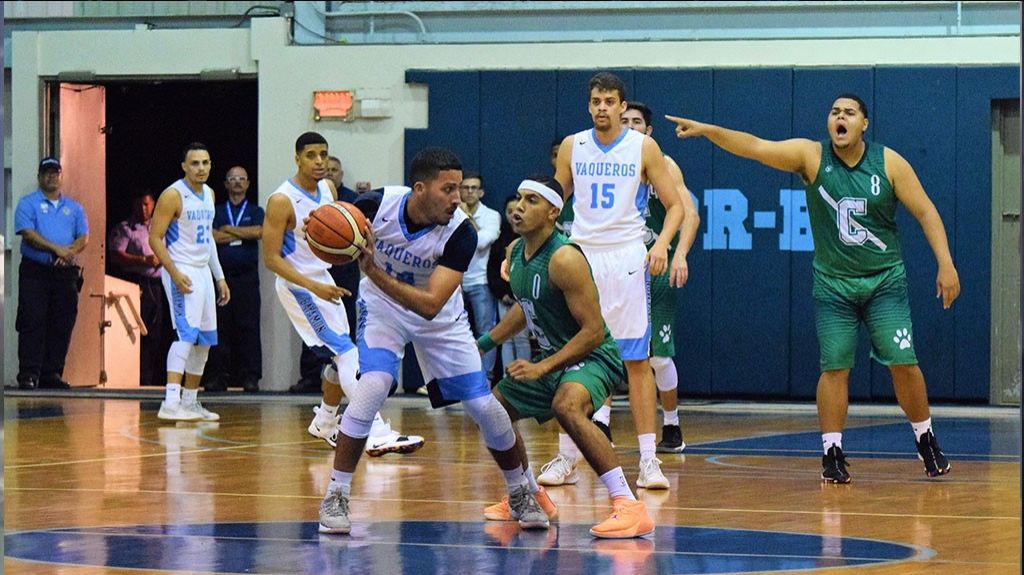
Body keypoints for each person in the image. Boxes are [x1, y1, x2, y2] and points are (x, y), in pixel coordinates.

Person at [666, 94, 959, 482]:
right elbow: (755, 147)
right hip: (833, 284)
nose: (840, 118)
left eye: (849, 113)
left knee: (903, 362)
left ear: (864, 124)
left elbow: (926, 211)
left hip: (884, 280)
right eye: (835, 112)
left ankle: (925, 438)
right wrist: (708, 131)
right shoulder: (811, 156)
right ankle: (832, 452)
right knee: (835, 366)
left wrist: (946, 263)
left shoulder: (888, 162)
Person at [317, 147, 549, 535]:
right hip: (383, 312)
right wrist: (318, 231)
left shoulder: (461, 233)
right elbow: (333, 227)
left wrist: (373, 270)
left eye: (459, 189)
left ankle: (520, 492)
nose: (457, 198)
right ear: (420, 188)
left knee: (485, 407)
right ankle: (336, 495)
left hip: (440, 319)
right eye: (449, 189)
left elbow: (430, 305)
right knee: (371, 386)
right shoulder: (374, 207)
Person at [480, 177, 655, 539]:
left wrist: (542, 366)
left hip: (593, 355)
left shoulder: (564, 258)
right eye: (518, 199)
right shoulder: (515, 253)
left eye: (531, 201)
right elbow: (525, 309)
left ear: (553, 212)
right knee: (492, 410)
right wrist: (481, 344)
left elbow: (592, 331)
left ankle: (628, 505)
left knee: (567, 405)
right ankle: (528, 494)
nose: (518, 207)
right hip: (553, 356)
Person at [544, 72, 686, 490]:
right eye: (596, 101)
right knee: (574, 356)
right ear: (588, 105)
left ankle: (647, 461)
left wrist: (660, 245)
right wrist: (529, 248)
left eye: (610, 101)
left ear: (622, 106)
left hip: (627, 256)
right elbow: (555, 201)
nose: (602, 107)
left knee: (636, 361)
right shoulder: (573, 145)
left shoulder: (644, 146)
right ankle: (566, 457)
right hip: (582, 255)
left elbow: (676, 206)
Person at [263, 132, 423, 456]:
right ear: (297, 158)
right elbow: (271, 259)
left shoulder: (328, 189)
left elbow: (337, 236)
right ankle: (375, 432)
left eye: (323, 154)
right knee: (349, 353)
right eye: (311, 155)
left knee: (340, 360)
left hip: (324, 280)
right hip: (299, 288)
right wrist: (312, 286)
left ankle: (324, 421)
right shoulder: (281, 200)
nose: (319, 161)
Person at [619, 101, 701, 453]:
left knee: (658, 357)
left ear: (648, 131)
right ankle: (600, 425)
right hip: (620, 264)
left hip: (656, 262)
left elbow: (690, 214)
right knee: (610, 348)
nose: (631, 127)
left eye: (637, 122)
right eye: (625, 122)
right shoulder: (607, 166)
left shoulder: (664, 164)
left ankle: (671, 425)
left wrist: (679, 252)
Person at [149, 142, 230, 422]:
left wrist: (219, 277)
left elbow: (208, 240)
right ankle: (170, 402)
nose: (201, 168)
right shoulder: (173, 195)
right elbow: (155, 238)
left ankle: (190, 401)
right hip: (180, 268)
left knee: (205, 340)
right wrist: (173, 272)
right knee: (185, 334)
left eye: (206, 163)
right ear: (184, 166)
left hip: (202, 271)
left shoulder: (208, 193)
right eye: (195, 163)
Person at [14, 156, 89, 389]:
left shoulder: (74, 208)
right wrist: (56, 249)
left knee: (61, 323)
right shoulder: (28, 203)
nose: (51, 177)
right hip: (36, 271)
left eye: (55, 173)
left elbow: (83, 237)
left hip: (64, 273)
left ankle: (51, 373)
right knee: (32, 321)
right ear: (39, 177)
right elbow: (27, 233)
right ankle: (29, 373)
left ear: (61, 176)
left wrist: (68, 252)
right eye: (46, 173)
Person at [294, 154, 360, 393]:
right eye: (325, 166)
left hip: (343, 270)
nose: (327, 170)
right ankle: (311, 377)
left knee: (343, 339)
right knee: (328, 341)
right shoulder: (290, 197)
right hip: (309, 275)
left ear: (340, 173)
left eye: (334, 168)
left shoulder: (351, 199)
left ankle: (326, 417)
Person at [205, 166, 264, 393]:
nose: (237, 183)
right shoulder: (217, 210)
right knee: (220, 328)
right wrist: (239, 231)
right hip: (222, 279)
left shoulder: (256, 210)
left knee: (249, 328)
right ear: (226, 184)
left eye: (242, 179)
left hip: (247, 280)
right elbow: (212, 235)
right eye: (232, 179)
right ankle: (218, 376)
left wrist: (228, 229)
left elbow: (259, 231)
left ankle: (250, 377)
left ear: (248, 184)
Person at [107, 190, 168, 388]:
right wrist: (143, 260)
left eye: (148, 205)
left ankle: (150, 379)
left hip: (158, 285)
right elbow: (116, 255)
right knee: (135, 332)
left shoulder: (161, 227)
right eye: (141, 205)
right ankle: (134, 379)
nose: (145, 209)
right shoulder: (127, 229)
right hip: (136, 283)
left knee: (156, 334)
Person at [458, 171, 501, 382]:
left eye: (474, 188)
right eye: (465, 188)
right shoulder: (450, 213)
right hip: (455, 281)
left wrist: (465, 218)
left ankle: (485, 378)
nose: (469, 192)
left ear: (481, 192)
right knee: (454, 332)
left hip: (480, 281)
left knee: (486, 332)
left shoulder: (492, 215)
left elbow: (481, 241)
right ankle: (457, 377)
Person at [487, 193, 532, 374]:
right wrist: (502, 293)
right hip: (504, 297)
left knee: (521, 338)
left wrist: (518, 294)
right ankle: (508, 376)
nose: (515, 215)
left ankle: (524, 375)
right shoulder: (500, 241)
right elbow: (493, 270)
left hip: (523, 298)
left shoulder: (529, 240)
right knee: (505, 338)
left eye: (518, 210)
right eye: (510, 211)